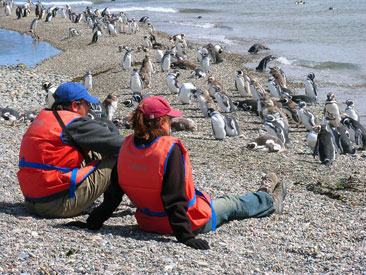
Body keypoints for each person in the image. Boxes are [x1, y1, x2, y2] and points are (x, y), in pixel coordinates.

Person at [69, 96, 287, 250]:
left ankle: (264, 193)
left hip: (147, 221)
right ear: (162, 122)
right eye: (169, 118)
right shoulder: (169, 149)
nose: (172, 122)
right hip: (188, 221)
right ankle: (268, 200)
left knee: (202, 194)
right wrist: (186, 237)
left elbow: (113, 197)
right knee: (232, 203)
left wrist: (93, 223)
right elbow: (173, 199)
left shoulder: (125, 147)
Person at [17, 82, 125, 218]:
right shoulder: (74, 124)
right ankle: (136, 201)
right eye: (87, 104)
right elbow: (119, 144)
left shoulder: (44, 118)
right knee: (119, 156)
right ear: (75, 106)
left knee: (94, 149)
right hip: (56, 206)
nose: (89, 108)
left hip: (32, 201)